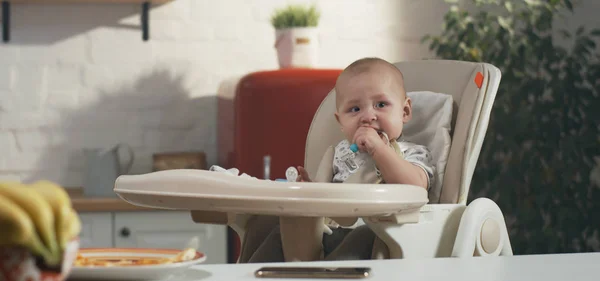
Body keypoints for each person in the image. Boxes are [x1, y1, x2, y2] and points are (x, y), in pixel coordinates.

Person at [242, 57, 435, 263]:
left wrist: (379, 149)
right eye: (355, 109)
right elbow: (326, 194)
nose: (368, 116)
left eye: (381, 104)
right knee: (275, 228)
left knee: (363, 237)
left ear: (404, 111)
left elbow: (416, 186)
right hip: (328, 230)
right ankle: (247, 274)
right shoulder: (341, 153)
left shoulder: (412, 153)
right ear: (341, 122)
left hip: (378, 231)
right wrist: (310, 189)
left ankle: (327, 275)